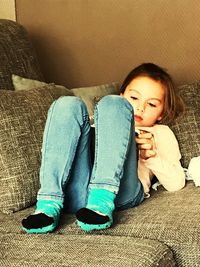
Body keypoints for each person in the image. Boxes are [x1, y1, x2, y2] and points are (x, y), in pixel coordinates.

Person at [22, 63, 185, 234]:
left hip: (121, 195)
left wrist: (150, 156)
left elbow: (176, 183)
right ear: (123, 94)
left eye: (151, 104)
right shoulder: (96, 121)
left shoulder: (159, 133)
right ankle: (48, 204)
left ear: (161, 113)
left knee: (114, 104)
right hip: (77, 194)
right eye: (134, 98)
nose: (140, 107)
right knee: (66, 105)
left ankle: (101, 201)